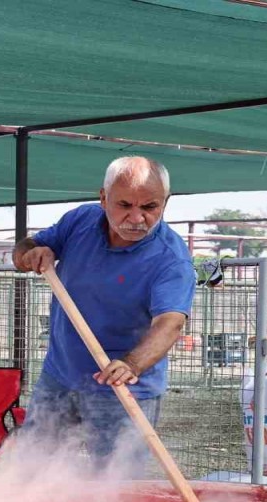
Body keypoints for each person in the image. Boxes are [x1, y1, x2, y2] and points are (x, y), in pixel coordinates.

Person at [12, 156, 195, 470]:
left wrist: (131, 364)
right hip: (59, 376)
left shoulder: (170, 259)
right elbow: (25, 248)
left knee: (117, 485)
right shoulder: (80, 221)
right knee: (32, 467)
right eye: (124, 205)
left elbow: (170, 322)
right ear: (103, 198)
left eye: (150, 207)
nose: (136, 218)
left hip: (123, 389)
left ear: (165, 202)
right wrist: (31, 253)